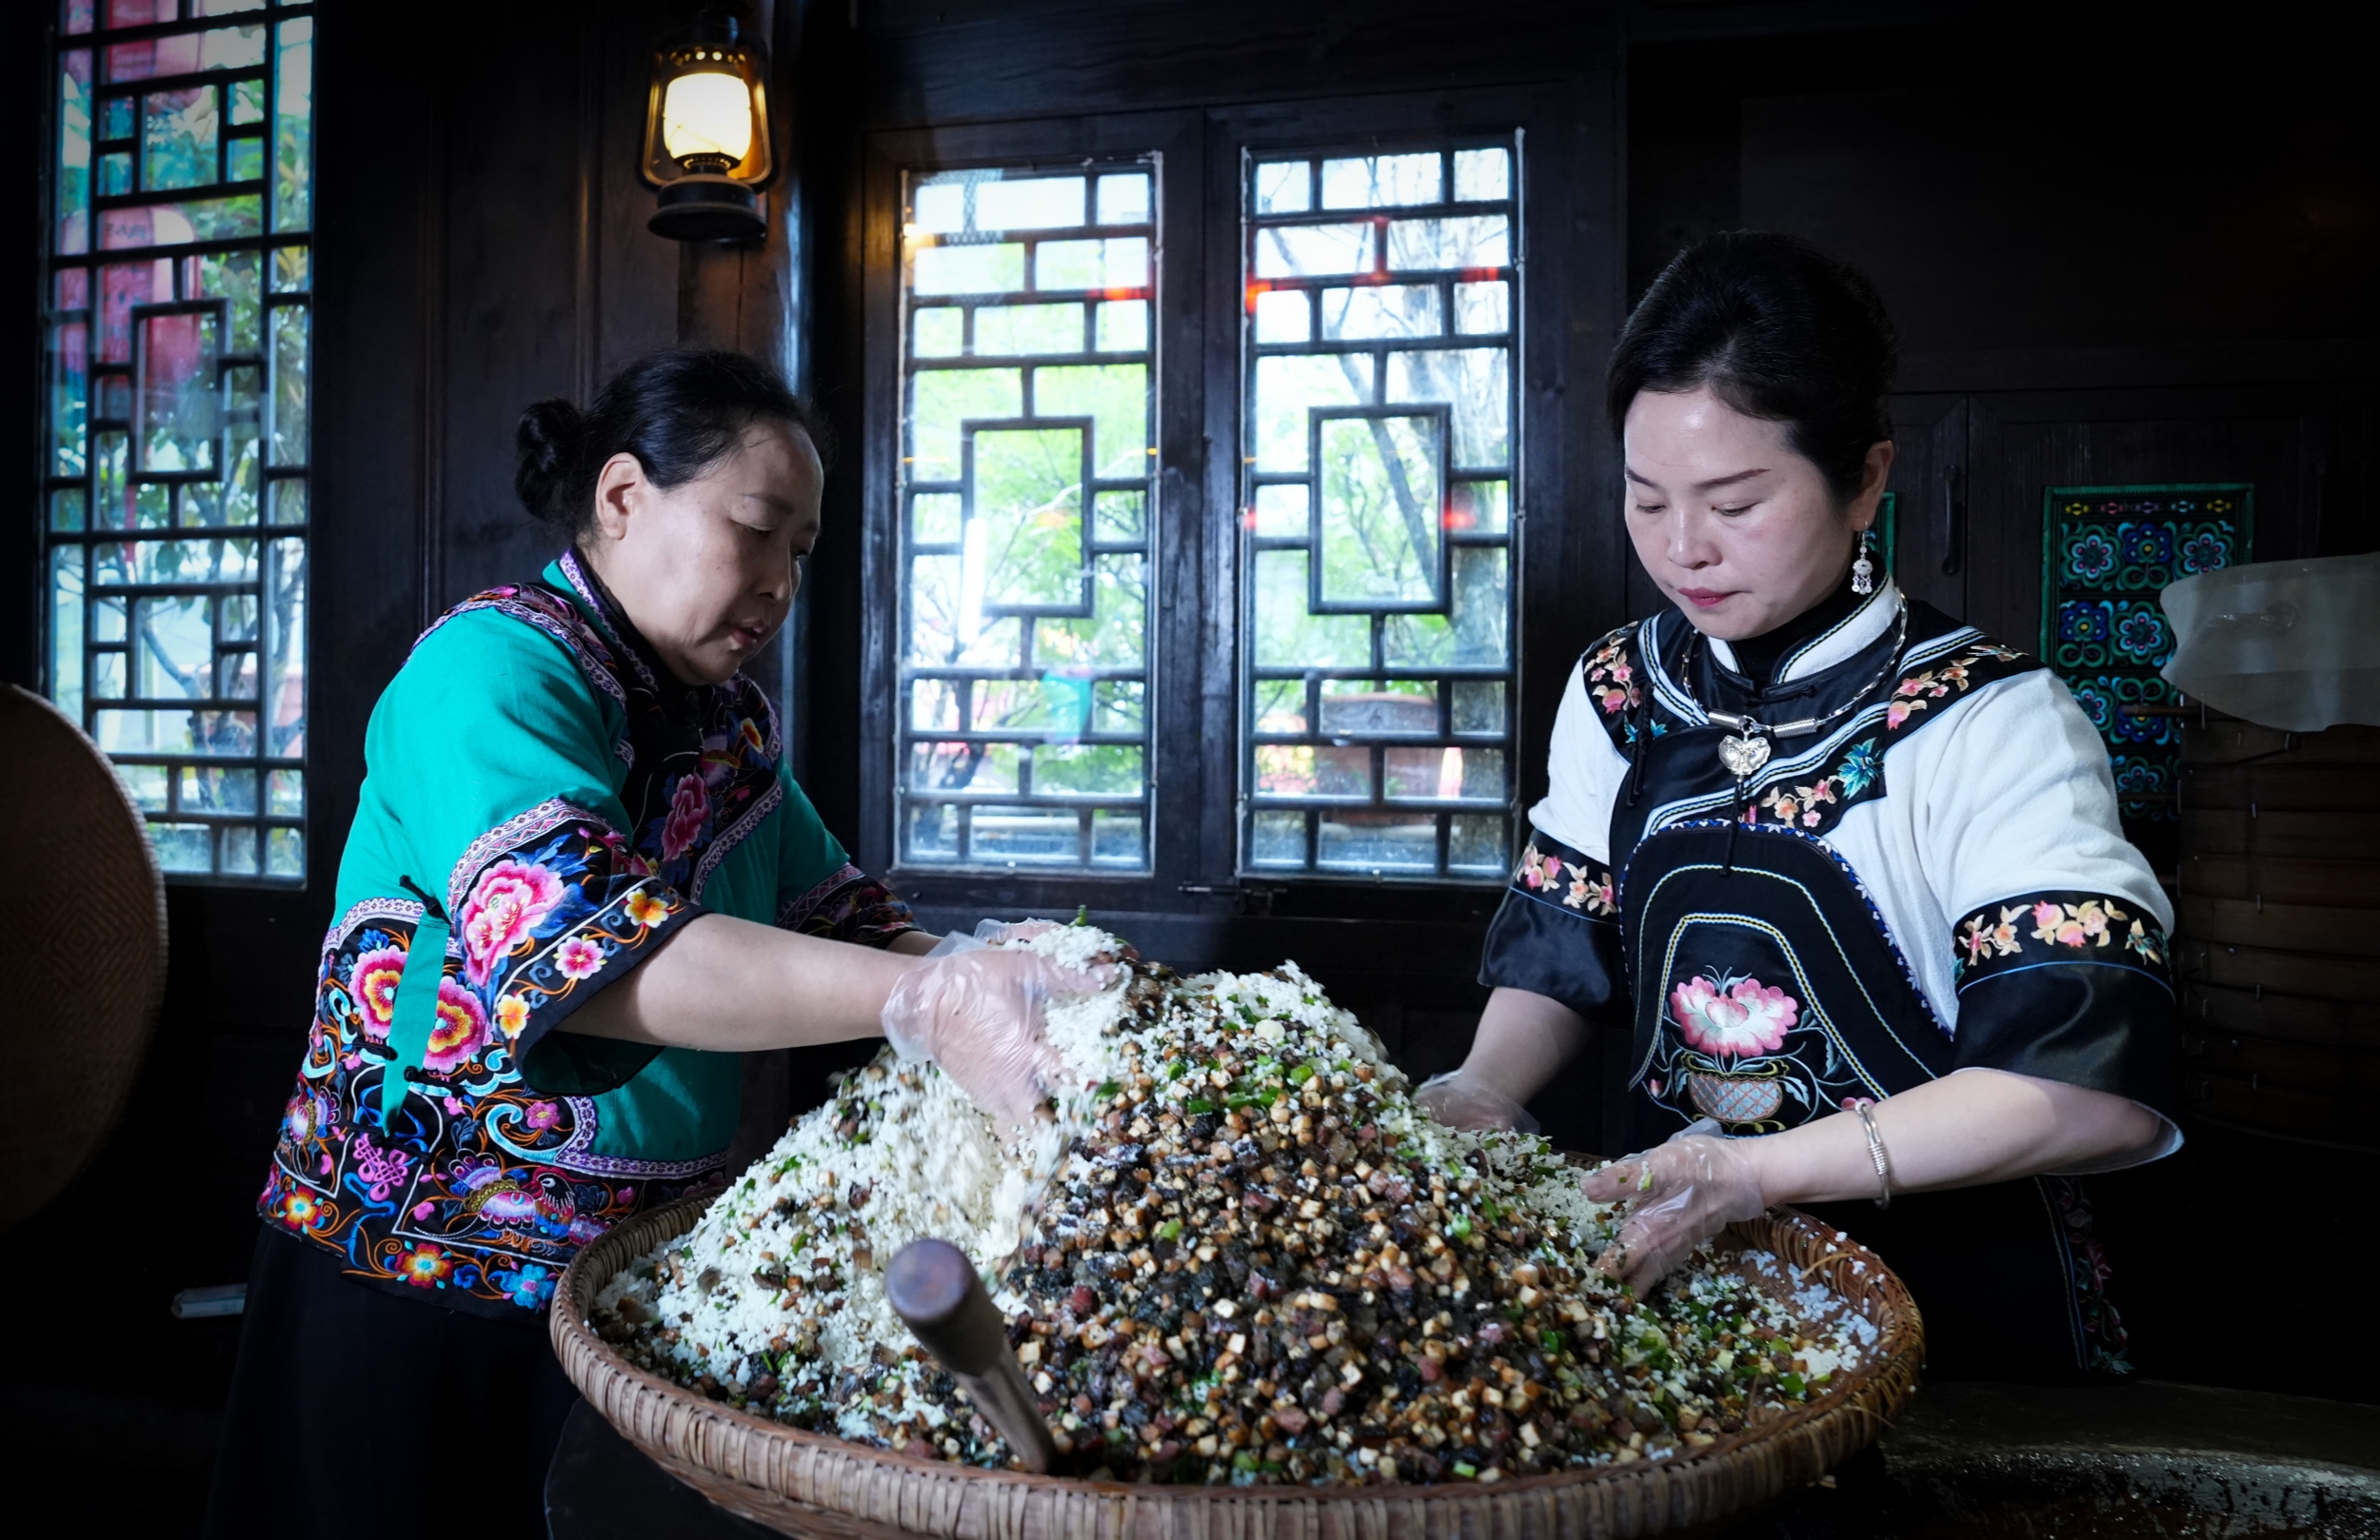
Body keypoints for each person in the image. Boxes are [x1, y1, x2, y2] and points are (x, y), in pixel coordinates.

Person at [204, 349, 1084, 1535]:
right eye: (756, 530)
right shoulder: (488, 667)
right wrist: (936, 1000)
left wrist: (1015, 979)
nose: (779, 582)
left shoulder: (728, 729)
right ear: (622, 497)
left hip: (624, 1283)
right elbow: (590, 954)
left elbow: (847, 924)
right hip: (413, 1269)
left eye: (801, 551)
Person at [1418, 233, 2177, 1381]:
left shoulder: (1990, 718)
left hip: (1960, 1298)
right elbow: (1562, 946)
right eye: (1645, 499)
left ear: (1865, 477)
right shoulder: (1620, 689)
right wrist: (1482, 1085)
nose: (1682, 548)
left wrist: (1750, 1172)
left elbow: (2088, 1092)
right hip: (1680, 1273)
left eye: (1734, 502)